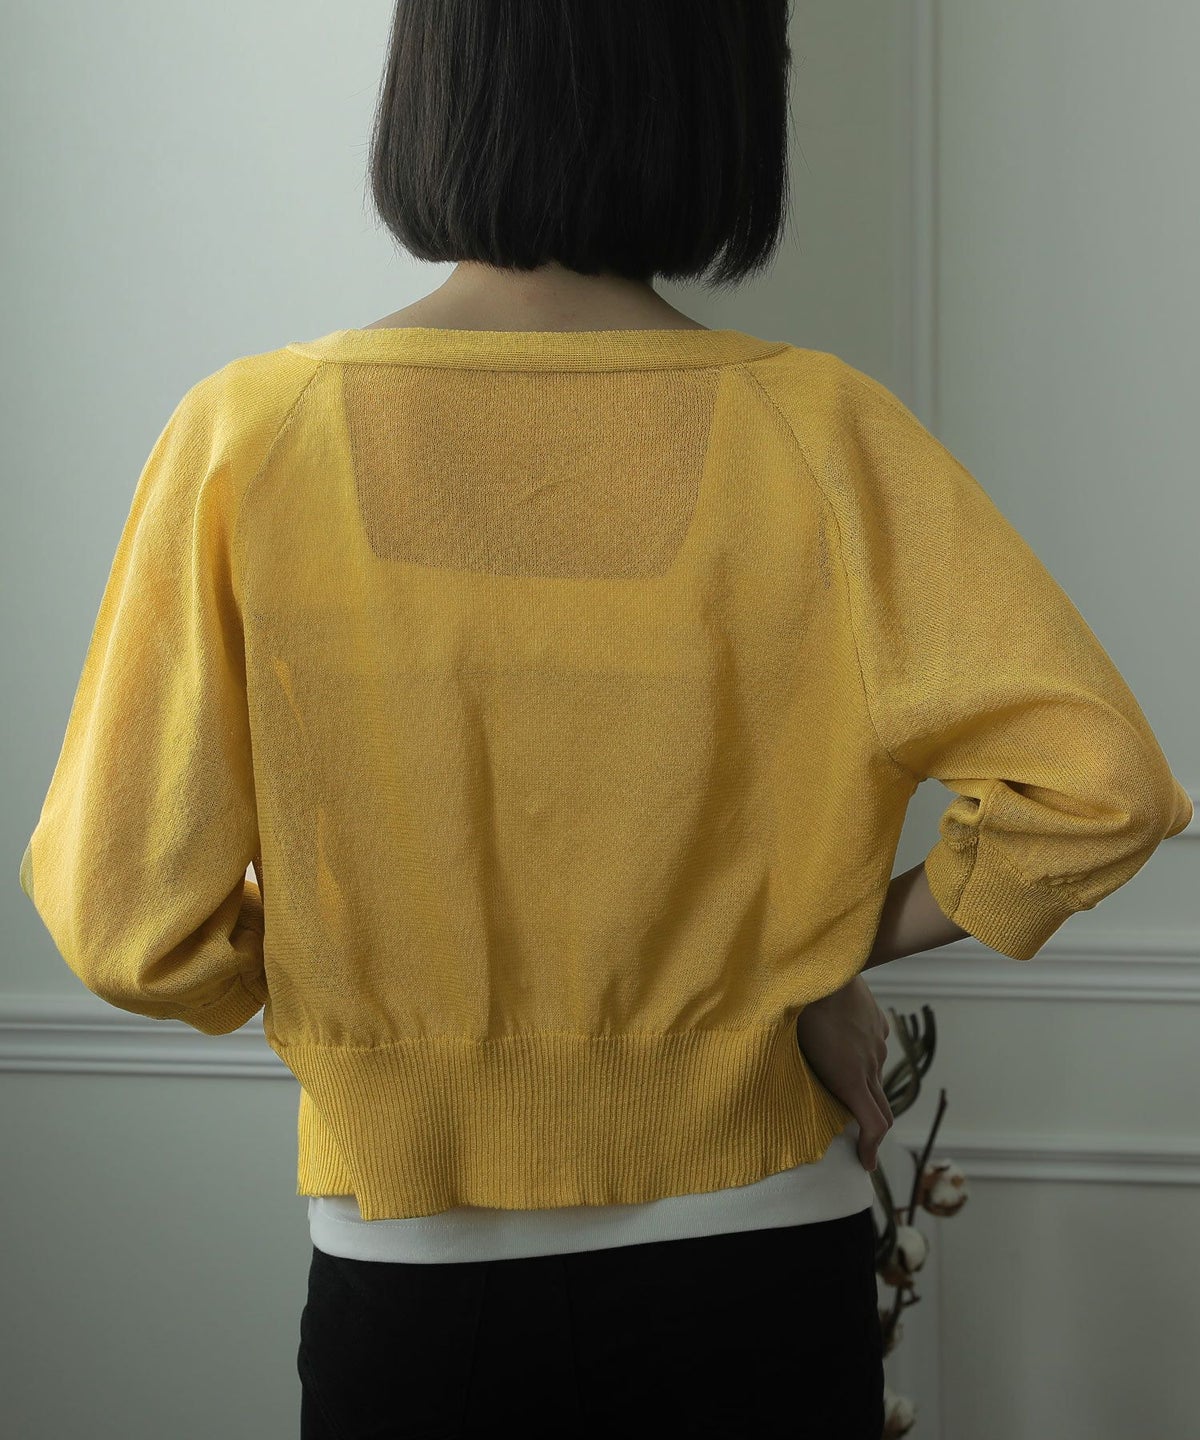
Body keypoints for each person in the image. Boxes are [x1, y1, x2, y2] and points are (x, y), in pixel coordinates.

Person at [18, 1, 1191, 1437]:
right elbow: (1103, 792)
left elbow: (127, 922)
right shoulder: (821, 435)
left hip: (412, 1272)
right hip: (759, 1261)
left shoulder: (250, 439)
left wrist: (379, 1002)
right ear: (721, 96)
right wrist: (801, 957)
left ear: (435, 80)